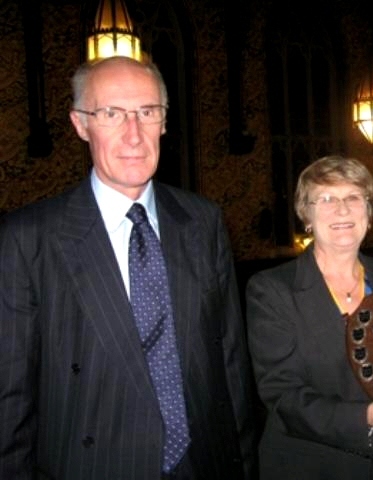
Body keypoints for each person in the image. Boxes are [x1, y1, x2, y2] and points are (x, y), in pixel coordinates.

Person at [0, 56, 257, 479]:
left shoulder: (202, 221)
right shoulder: (28, 238)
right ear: (81, 124)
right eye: (111, 113)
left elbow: (229, 365)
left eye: (147, 112)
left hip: (203, 464)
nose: (133, 134)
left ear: (165, 121)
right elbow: (10, 401)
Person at [245, 155, 373, 480]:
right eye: (326, 198)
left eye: (353, 198)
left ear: (369, 213)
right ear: (306, 215)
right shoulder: (272, 290)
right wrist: (366, 416)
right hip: (314, 464)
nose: (342, 209)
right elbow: (282, 394)